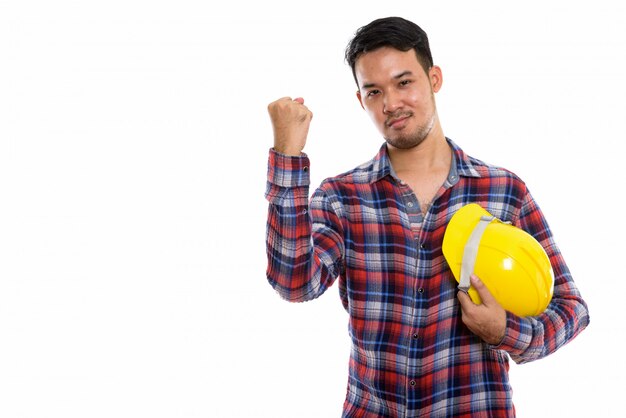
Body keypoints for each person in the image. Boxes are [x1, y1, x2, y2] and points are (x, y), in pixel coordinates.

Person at [264, 16, 589, 417]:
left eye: (404, 82)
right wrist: (288, 157)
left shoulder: (504, 191)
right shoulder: (342, 197)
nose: (391, 104)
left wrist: (506, 331)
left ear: (434, 78)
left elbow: (571, 308)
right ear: (360, 100)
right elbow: (294, 283)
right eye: (374, 91)